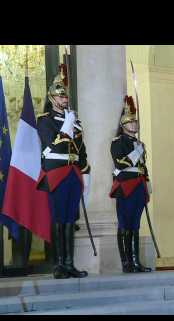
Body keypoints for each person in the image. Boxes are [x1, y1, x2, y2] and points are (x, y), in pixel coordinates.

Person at [36, 64, 90, 279]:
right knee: (59, 218)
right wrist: (67, 125)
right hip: (56, 173)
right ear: (52, 98)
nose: (64, 99)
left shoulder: (75, 122)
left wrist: (87, 172)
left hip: (73, 173)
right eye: (60, 96)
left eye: (65, 96)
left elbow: (82, 151)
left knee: (70, 219)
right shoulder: (45, 120)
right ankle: (59, 264)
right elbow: (54, 143)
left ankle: (70, 263)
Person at [109, 96, 152, 273]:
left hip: (139, 186)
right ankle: (126, 262)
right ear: (123, 125)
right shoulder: (117, 142)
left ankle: (136, 261)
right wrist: (136, 152)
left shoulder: (139, 143)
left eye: (135, 122)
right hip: (125, 186)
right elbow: (120, 163)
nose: (134, 124)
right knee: (124, 223)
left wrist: (147, 181)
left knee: (135, 225)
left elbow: (143, 167)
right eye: (130, 122)